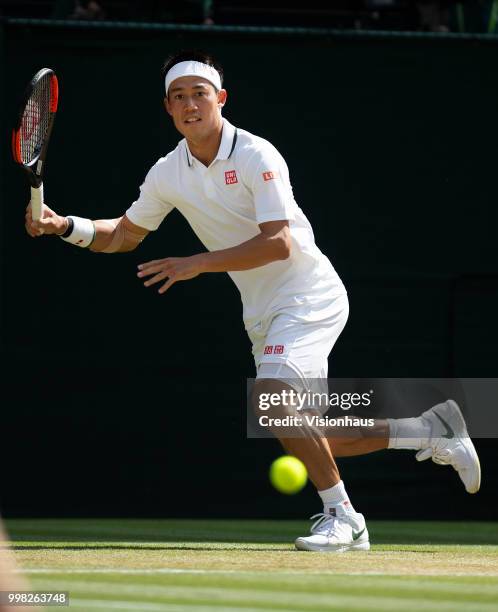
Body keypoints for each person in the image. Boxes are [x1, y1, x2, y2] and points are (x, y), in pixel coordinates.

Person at [24, 49, 481, 552]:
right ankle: (427, 429)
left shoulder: (257, 155)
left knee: (271, 401)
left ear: (220, 99)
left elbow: (278, 242)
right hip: (262, 309)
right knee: (305, 428)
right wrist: (64, 226)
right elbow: (125, 235)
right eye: (178, 97)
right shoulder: (166, 172)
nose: (189, 105)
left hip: (308, 295)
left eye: (199, 94)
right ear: (168, 109)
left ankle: (344, 517)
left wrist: (196, 262)